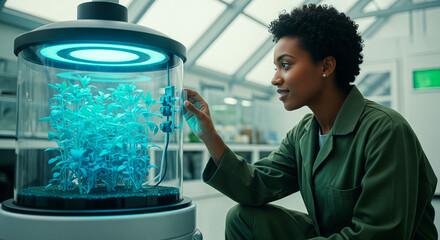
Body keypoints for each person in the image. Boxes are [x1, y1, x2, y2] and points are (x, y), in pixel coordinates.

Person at [183, 4, 438, 240]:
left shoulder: (386, 130)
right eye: (275, 67)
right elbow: (255, 186)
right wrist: (208, 134)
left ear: (326, 66)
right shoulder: (304, 134)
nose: (275, 79)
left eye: (285, 65)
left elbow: (379, 234)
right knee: (242, 218)